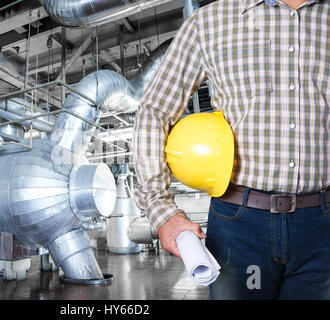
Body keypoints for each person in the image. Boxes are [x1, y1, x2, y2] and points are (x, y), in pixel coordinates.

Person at [133, 0, 329, 299]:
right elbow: (154, 110)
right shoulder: (210, 21)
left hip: (323, 230)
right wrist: (162, 210)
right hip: (240, 225)